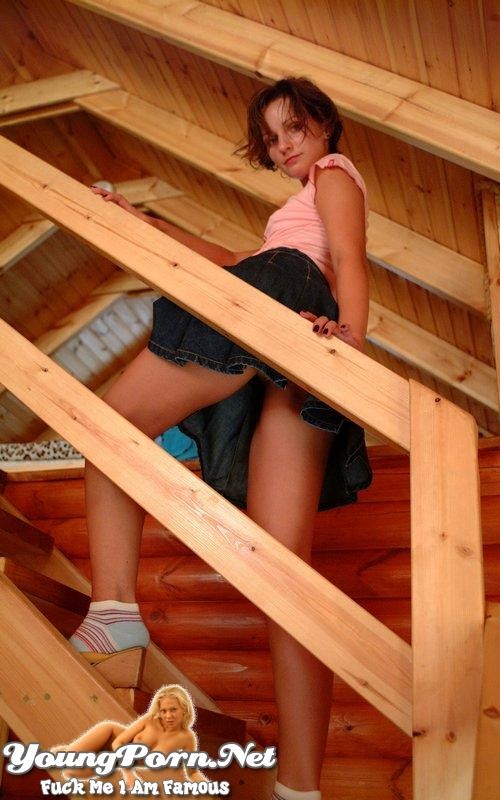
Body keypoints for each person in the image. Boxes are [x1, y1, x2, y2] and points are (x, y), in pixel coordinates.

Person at [70, 76, 372, 800]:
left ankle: (114, 610)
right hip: (293, 323)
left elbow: (350, 262)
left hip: (293, 306)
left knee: (106, 426)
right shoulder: (292, 215)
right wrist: (141, 221)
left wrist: (352, 346)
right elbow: (232, 260)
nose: (284, 145)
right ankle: (299, 785)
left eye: (294, 127)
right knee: (282, 576)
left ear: (324, 125)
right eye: (271, 138)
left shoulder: (333, 175)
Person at [52, 684, 206, 786]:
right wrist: (129, 773)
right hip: (110, 737)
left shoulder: (187, 738)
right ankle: (69, 750)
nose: (168, 716)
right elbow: (118, 742)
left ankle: (74, 751)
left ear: (184, 709)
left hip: (114, 760)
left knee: (69, 772)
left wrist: (209, 790)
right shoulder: (149, 720)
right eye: (163, 711)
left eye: (173, 710)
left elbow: (192, 772)